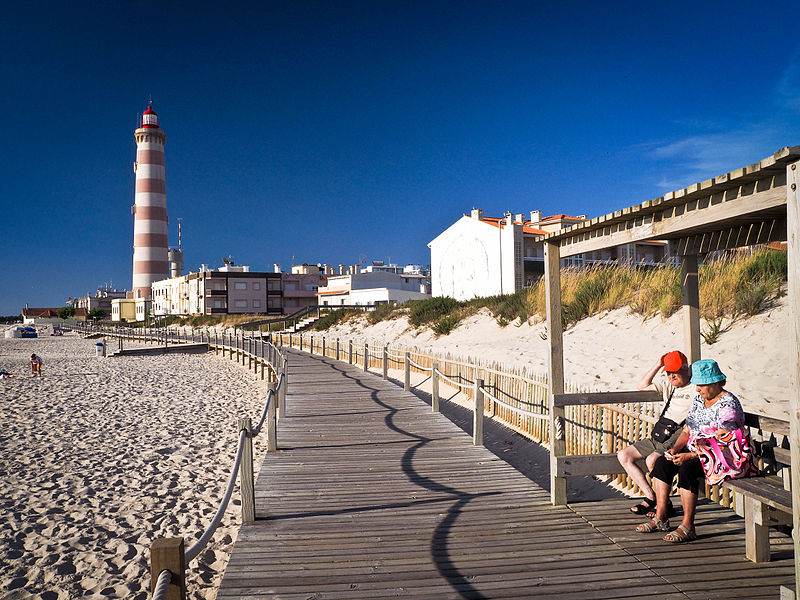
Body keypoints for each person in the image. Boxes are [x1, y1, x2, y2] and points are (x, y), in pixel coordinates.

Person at [636, 359, 748, 543]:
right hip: (698, 449)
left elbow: (726, 441)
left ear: (717, 383)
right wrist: (675, 448)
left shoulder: (728, 404)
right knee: (662, 463)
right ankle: (661, 515)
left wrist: (691, 455)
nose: (698, 389)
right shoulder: (699, 400)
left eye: (702, 385)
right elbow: (688, 430)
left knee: (687, 469)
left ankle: (688, 525)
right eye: (697, 385)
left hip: (723, 455)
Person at [619, 350, 694, 516]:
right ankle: (652, 497)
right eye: (668, 373)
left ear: (686, 368)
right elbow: (642, 386)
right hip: (660, 433)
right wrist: (658, 364)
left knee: (653, 460)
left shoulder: (696, 388)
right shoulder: (669, 386)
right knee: (624, 455)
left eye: (675, 371)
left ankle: (663, 507)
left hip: (678, 435)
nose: (671, 376)